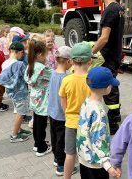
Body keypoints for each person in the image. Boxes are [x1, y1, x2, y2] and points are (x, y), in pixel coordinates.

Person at [91, 0, 125, 135]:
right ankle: (114, 119)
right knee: (112, 87)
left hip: (106, 56)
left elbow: (104, 38)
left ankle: (112, 124)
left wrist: (90, 52)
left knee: (108, 88)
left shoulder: (109, 10)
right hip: (115, 55)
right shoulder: (119, 8)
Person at [77, 66, 121, 179]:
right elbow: (98, 140)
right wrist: (108, 166)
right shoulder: (99, 112)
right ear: (107, 88)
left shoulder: (86, 102)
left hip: (84, 158)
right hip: (96, 164)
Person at [59, 42, 93, 179]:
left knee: (70, 155)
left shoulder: (66, 80)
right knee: (87, 154)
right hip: (88, 124)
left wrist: (68, 116)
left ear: (71, 61)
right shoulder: (91, 81)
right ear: (90, 61)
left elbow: (63, 103)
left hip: (71, 123)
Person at [24, 40, 54, 157]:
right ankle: (41, 148)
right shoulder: (42, 68)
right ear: (41, 55)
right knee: (41, 124)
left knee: (37, 122)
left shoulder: (30, 65)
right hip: (43, 100)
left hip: (35, 98)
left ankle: (37, 143)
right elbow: (55, 75)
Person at [0, 42, 32, 142]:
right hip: (20, 93)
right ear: (20, 52)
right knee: (21, 113)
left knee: (18, 111)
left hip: (11, 93)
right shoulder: (19, 65)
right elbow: (26, 78)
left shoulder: (5, 63)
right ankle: (15, 135)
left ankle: (19, 129)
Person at [47, 46, 72, 175]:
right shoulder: (65, 79)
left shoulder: (52, 73)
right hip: (61, 114)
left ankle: (56, 158)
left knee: (54, 136)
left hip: (51, 112)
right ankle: (61, 166)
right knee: (62, 139)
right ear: (68, 61)